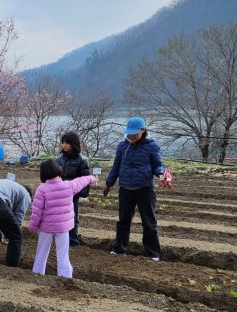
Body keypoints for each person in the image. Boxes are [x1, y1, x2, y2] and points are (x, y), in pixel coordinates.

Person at [104, 116, 166, 261]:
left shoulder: (152, 146)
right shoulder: (122, 146)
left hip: (145, 188)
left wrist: (162, 174)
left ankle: (153, 253)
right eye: (129, 133)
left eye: (134, 133)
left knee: (149, 222)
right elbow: (116, 166)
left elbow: (157, 165)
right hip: (125, 188)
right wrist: (109, 183)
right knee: (123, 220)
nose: (131, 136)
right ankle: (120, 249)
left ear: (143, 130)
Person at [28, 159, 96, 278]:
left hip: (46, 228)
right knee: (63, 254)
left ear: (43, 174)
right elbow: (80, 181)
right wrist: (91, 178)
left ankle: (37, 274)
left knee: (41, 252)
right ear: (59, 170)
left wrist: (32, 226)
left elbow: (37, 211)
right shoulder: (68, 185)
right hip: (63, 228)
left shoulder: (42, 189)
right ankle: (65, 277)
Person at [56, 131, 91, 246]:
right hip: (60, 193)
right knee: (59, 216)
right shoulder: (59, 159)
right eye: (63, 143)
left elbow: (85, 179)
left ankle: (73, 240)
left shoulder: (82, 160)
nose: (64, 145)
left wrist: (81, 193)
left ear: (74, 144)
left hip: (73, 193)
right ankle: (60, 238)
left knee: (72, 217)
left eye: (67, 143)